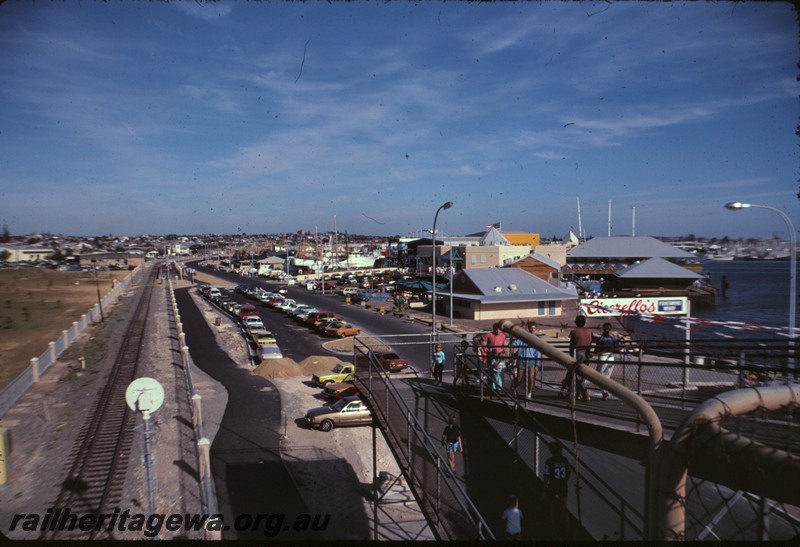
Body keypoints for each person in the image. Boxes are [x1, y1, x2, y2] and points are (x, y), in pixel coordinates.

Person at [562, 315, 593, 401]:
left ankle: (585, 394)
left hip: (578, 353)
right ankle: (578, 394)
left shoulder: (574, 332)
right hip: (586, 354)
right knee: (582, 375)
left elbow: (571, 345)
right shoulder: (589, 331)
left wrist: (571, 356)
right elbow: (590, 343)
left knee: (577, 375)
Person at [512, 322, 541, 399]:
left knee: (531, 378)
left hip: (531, 360)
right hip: (522, 359)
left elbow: (538, 353)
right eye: (531, 328)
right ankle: (514, 387)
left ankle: (529, 393)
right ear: (529, 329)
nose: (532, 330)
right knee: (519, 379)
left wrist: (537, 365)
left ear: (536, 329)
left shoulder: (537, 340)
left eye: (534, 328)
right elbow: (514, 344)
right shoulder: (523, 337)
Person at [594, 322, 617, 400]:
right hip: (611, 358)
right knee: (607, 377)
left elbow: (596, 350)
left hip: (603, 358)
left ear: (603, 329)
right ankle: (606, 391)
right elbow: (616, 348)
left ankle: (604, 392)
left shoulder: (600, 339)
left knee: (598, 377)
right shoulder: (613, 339)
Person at [485, 322, 508, 389]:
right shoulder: (489, 334)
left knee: (500, 371)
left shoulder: (502, 335)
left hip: (500, 355)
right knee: (491, 371)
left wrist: (507, 356)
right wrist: (485, 348)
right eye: (496, 329)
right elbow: (482, 341)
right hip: (492, 354)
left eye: (498, 329)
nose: (497, 331)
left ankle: (500, 387)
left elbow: (505, 346)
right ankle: (491, 387)